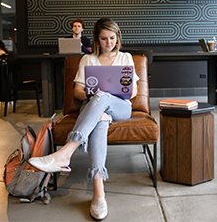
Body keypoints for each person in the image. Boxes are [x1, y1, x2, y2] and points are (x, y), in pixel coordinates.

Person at [29, 18, 139, 220]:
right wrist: (95, 94)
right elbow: (78, 92)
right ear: (97, 39)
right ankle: (99, 192)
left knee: (104, 98)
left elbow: (133, 92)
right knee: (101, 116)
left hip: (121, 107)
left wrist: (107, 95)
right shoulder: (88, 60)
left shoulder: (126, 58)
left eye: (112, 38)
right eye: (104, 38)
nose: (109, 43)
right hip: (95, 107)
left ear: (118, 38)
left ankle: (65, 153)